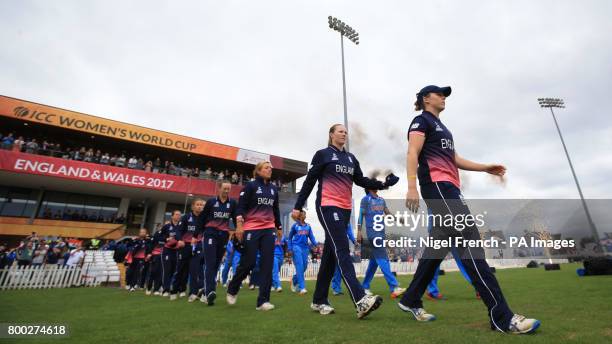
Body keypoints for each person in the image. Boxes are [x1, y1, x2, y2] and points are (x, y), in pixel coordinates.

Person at [400, 85, 540, 334]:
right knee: (470, 242)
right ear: (426, 99)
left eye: (445, 94)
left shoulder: (443, 128)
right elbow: (412, 152)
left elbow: (454, 159)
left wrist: (484, 167)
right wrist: (411, 187)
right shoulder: (420, 121)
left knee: (438, 247)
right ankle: (502, 317)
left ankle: (411, 298)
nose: (444, 97)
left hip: (450, 188)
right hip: (438, 187)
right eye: (439, 93)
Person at [292, 123, 399, 318]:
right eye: (340, 131)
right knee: (342, 249)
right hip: (327, 206)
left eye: (345, 131)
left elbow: (361, 181)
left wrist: (383, 185)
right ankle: (360, 300)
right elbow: (310, 181)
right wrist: (298, 206)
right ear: (331, 135)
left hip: (344, 209)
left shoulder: (351, 158)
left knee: (331, 256)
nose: (344, 133)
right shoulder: (323, 154)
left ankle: (318, 300)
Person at [226, 161, 283, 311]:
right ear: (258, 171)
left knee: (267, 264)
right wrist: (239, 225)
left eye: (271, 167)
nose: (270, 169)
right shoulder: (250, 186)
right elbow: (241, 207)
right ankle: (233, 287)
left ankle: (263, 301)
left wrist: (279, 227)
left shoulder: (273, 189)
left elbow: (275, 209)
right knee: (249, 262)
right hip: (251, 229)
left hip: (269, 229)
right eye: (266, 167)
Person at [358, 189, 406, 298]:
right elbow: (361, 215)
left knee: (374, 262)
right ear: (369, 187)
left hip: (381, 232)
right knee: (383, 258)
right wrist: (359, 231)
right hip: (371, 233)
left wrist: (397, 219)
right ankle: (394, 286)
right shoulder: (365, 200)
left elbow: (387, 213)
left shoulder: (381, 200)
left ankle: (365, 286)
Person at [200, 182, 237, 305]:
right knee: (210, 263)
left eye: (229, 189)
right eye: (225, 188)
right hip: (210, 234)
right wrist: (197, 235)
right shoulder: (211, 202)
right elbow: (202, 218)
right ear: (219, 188)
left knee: (216, 264)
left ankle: (206, 292)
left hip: (224, 236)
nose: (227, 190)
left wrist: (238, 230)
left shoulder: (232, 203)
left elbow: (236, 218)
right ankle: (210, 291)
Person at [171, 199, 204, 301]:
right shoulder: (186, 217)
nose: (199, 207)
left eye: (201, 205)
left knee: (194, 270)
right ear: (193, 206)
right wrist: (180, 240)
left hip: (197, 246)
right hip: (185, 246)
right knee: (180, 270)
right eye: (197, 205)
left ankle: (193, 293)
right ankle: (174, 290)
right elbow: (178, 231)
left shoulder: (204, 218)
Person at [288, 211, 318, 295]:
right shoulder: (295, 226)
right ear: (300, 215)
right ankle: (302, 288)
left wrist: (316, 244)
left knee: (304, 267)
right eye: (303, 213)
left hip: (305, 248)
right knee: (300, 266)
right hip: (296, 247)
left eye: (305, 214)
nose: (305, 215)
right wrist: (290, 248)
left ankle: (294, 280)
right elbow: (290, 238)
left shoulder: (308, 226)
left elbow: (311, 237)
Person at [331, 223, 357, 296]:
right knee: (337, 268)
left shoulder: (347, 223)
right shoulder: (333, 219)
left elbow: (350, 233)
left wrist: (354, 241)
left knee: (345, 268)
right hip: (335, 246)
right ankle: (336, 289)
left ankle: (353, 288)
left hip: (344, 246)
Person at [161, 210, 181, 297]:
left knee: (174, 271)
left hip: (177, 251)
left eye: (179, 215)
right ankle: (165, 289)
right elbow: (161, 236)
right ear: (172, 216)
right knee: (167, 270)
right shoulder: (166, 226)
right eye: (176, 214)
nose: (178, 216)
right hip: (167, 251)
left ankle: (174, 288)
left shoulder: (182, 226)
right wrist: (166, 239)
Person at [145, 226, 165, 295]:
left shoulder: (168, 235)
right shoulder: (157, 234)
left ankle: (156, 289)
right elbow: (151, 244)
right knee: (153, 272)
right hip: (155, 255)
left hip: (163, 256)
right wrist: (149, 253)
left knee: (160, 273)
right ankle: (149, 288)